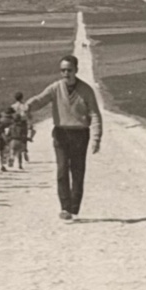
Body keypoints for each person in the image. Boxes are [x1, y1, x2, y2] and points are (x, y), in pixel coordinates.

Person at [23, 55, 103, 221]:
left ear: (76, 70)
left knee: (78, 171)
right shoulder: (55, 87)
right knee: (61, 170)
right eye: (63, 70)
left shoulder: (86, 90)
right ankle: (65, 208)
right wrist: (29, 105)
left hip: (80, 134)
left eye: (69, 70)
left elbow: (95, 114)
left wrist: (96, 138)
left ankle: (74, 207)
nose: (66, 73)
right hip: (61, 134)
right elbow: (41, 99)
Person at [12, 91, 35, 159]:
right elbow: (29, 115)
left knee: (16, 137)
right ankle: (24, 150)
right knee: (24, 137)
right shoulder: (25, 106)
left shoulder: (13, 106)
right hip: (23, 123)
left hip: (16, 123)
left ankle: (15, 152)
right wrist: (31, 122)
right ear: (22, 97)